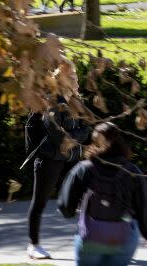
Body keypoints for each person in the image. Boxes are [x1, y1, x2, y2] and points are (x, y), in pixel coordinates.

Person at [58, 122, 147, 266]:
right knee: (131, 223)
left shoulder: (83, 169)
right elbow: (143, 207)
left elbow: (65, 207)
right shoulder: (132, 171)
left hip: (91, 238)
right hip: (122, 239)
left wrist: (73, 211)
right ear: (120, 142)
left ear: (93, 142)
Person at [25, 103, 91, 260]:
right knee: (39, 202)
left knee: (87, 196)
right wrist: (76, 135)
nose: (76, 84)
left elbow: (86, 129)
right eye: (73, 79)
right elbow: (59, 137)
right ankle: (33, 245)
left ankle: (92, 241)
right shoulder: (51, 104)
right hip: (50, 158)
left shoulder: (78, 104)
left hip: (72, 157)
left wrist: (74, 136)